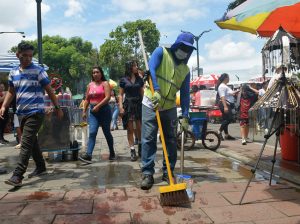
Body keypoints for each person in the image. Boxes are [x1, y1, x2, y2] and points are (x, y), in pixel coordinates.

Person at [0, 42, 63, 187]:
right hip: (21, 112)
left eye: (30, 56)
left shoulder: (38, 71)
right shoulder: (13, 72)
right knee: (32, 141)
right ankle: (41, 167)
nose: (28, 59)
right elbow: (11, 91)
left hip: (36, 112)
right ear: (18, 55)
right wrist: (4, 105)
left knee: (26, 143)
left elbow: (49, 90)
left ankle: (17, 175)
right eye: (24, 56)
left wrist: (57, 107)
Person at [140, 32, 195, 190]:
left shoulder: (185, 70)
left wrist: (185, 115)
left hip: (170, 106)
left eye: (188, 49)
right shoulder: (161, 52)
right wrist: (156, 89)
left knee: (170, 140)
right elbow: (151, 67)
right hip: (151, 102)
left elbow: (184, 94)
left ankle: (168, 172)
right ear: (176, 45)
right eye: (182, 47)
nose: (184, 51)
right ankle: (147, 173)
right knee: (149, 139)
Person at [79, 65, 116, 163]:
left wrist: (98, 106)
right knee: (92, 132)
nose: (95, 74)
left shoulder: (105, 83)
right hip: (93, 112)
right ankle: (89, 155)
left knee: (107, 133)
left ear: (101, 73)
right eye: (93, 72)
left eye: (97, 72)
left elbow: (107, 97)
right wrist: (84, 111)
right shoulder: (89, 85)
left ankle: (112, 152)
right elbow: (87, 99)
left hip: (104, 111)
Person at [119, 60, 144, 161]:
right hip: (128, 105)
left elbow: (142, 93)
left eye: (137, 65)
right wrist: (120, 107)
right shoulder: (123, 80)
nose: (136, 67)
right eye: (134, 66)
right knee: (130, 128)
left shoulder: (139, 79)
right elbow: (120, 95)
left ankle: (141, 146)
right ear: (129, 67)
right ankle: (132, 150)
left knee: (139, 127)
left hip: (138, 104)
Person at [216, 73, 239, 141]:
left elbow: (230, 93)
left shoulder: (225, 86)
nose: (229, 79)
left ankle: (226, 134)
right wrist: (225, 106)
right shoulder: (222, 86)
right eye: (228, 77)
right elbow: (222, 97)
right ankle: (219, 131)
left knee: (225, 119)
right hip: (225, 104)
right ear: (225, 78)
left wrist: (236, 92)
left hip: (226, 104)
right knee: (229, 118)